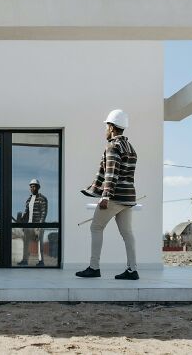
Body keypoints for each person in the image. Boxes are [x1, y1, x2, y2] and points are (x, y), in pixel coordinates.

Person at [76, 109, 139, 280]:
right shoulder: (130, 147)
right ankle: (132, 270)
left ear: (111, 127)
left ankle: (94, 267)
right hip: (128, 198)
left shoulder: (113, 146)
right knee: (127, 233)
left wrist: (105, 196)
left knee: (96, 227)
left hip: (114, 197)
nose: (105, 130)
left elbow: (111, 173)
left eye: (106, 126)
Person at [17, 179, 48, 267]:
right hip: (29, 225)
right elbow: (26, 213)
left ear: (38, 187)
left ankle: (41, 261)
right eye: (31, 186)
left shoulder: (42, 198)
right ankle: (25, 260)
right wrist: (22, 220)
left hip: (38, 225)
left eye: (34, 186)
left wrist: (40, 225)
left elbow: (44, 212)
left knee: (39, 243)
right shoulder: (28, 200)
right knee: (26, 243)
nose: (32, 188)